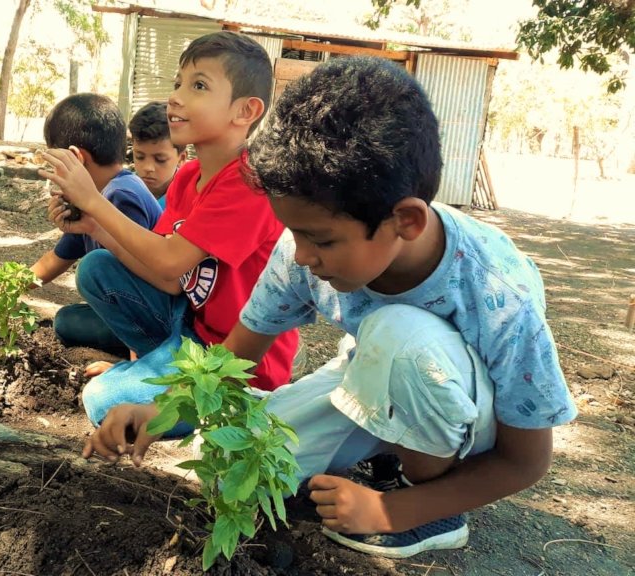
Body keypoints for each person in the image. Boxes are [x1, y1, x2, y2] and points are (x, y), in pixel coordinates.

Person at [81, 56, 577, 559]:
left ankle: (426, 498)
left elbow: (525, 461)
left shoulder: (496, 291)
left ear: (404, 220)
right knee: (229, 462)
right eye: (293, 232)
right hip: (372, 372)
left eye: (318, 239)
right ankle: (385, 446)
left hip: (465, 412)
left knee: (399, 334)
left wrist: (387, 514)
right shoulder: (303, 249)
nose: (300, 255)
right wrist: (161, 410)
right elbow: (238, 355)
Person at [40, 31, 299, 431]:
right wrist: (95, 226)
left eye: (199, 85)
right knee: (96, 267)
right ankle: (153, 369)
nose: (176, 96)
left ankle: (216, 403)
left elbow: (171, 259)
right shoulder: (188, 175)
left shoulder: (249, 182)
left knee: (101, 402)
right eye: (178, 82)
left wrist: (93, 201)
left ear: (245, 111)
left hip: (236, 365)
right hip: (192, 331)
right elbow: (170, 279)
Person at [0, 93, 162, 357]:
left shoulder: (122, 196)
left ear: (75, 157)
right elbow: (57, 257)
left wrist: (134, 368)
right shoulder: (94, 199)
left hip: (155, 316)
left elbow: (137, 277)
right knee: (66, 319)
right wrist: (7, 288)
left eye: (54, 161)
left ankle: (143, 354)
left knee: (68, 323)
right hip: (133, 306)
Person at [128, 101, 186, 208]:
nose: (148, 168)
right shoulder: (122, 191)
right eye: (139, 157)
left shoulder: (190, 200)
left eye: (160, 159)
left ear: (181, 158)